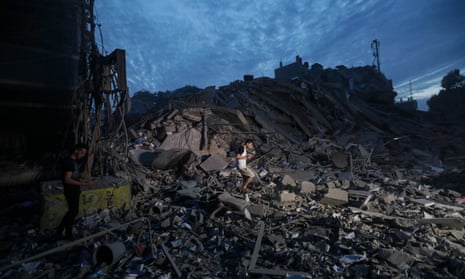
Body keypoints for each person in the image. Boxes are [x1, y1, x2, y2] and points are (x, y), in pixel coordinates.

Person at [56, 143, 95, 240]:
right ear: (76, 150)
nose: (82, 155)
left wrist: (84, 181)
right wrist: (85, 184)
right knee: (72, 212)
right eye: (81, 152)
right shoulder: (69, 162)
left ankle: (61, 232)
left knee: (72, 212)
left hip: (74, 190)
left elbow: (74, 177)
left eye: (84, 154)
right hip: (70, 190)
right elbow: (67, 179)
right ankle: (67, 234)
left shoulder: (74, 162)